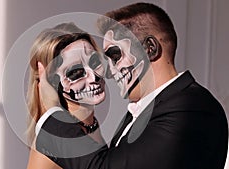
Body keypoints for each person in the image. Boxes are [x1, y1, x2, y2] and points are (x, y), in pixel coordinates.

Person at [35, 2, 228, 169]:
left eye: (115, 55)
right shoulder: (147, 111)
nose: (108, 72)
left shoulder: (191, 108)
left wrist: (52, 111)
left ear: (149, 48)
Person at [26, 22, 107, 169]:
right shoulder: (53, 142)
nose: (93, 77)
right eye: (75, 72)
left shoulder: (90, 126)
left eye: (94, 62)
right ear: (51, 82)